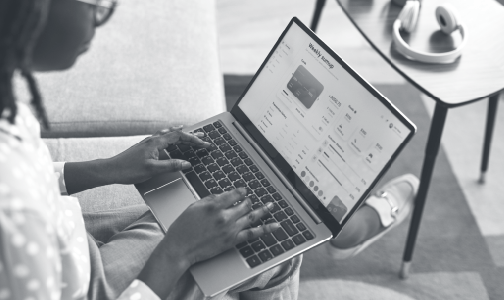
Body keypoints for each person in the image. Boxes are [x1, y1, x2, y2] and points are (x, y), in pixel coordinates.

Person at [0, 0, 419, 299]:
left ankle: (330, 224)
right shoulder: (14, 215)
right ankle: (339, 230)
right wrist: (176, 253)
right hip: (87, 283)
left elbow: (21, 173)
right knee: (275, 252)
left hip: (65, 237)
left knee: (231, 208)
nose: (101, 12)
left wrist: (106, 169)